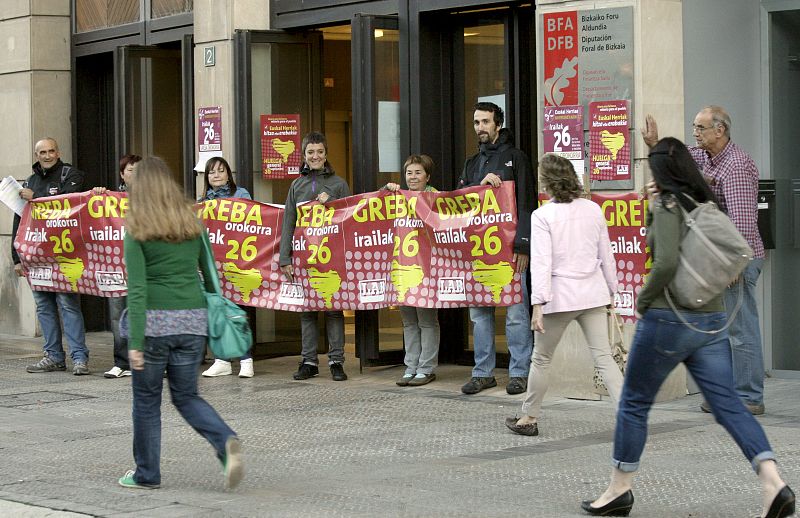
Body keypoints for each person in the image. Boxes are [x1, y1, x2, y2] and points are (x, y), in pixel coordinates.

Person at [582, 138, 794, 518]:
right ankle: (772, 481)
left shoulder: (667, 205)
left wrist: (643, 304)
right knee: (728, 404)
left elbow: (663, 264)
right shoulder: (703, 202)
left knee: (633, 403)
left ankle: (619, 489)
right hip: (709, 319)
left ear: (661, 171)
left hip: (668, 318)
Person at [119, 156, 243, 490]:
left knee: (146, 403)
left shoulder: (137, 229)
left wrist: (135, 343)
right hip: (192, 321)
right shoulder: (192, 224)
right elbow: (209, 272)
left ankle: (147, 474)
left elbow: (138, 289)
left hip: (155, 325)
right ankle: (224, 439)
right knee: (187, 396)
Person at [642, 108, 766, 415]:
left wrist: (734, 264)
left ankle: (749, 397)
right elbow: (676, 166)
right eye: (694, 128)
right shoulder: (703, 157)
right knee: (720, 329)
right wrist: (654, 144)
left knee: (740, 328)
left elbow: (742, 220)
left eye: (700, 128)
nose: (695, 133)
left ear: (719, 130)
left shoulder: (736, 166)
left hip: (735, 257)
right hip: (720, 258)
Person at [505, 154, 621, 437]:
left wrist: (537, 304)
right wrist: (613, 291)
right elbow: (606, 254)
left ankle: (529, 417)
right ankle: (629, 418)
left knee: (542, 359)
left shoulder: (542, 215)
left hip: (559, 297)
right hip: (593, 293)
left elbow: (542, 262)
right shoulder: (593, 209)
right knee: (604, 357)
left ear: (547, 181)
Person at [457, 102, 535, 395]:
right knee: (479, 314)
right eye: (476, 122)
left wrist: (523, 245)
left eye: (486, 122)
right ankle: (482, 373)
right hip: (478, 252)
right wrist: (479, 184)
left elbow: (528, 203)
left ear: (498, 125)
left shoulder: (517, 158)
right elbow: (460, 203)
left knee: (515, 312)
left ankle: (519, 372)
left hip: (511, 251)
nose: (480, 128)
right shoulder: (471, 163)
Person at [12, 138, 91, 375]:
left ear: (59, 152)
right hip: (36, 256)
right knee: (43, 306)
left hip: (64, 255)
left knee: (68, 304)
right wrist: (17, 258)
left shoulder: (71, 175)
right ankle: (54, 356)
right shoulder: (30, 180)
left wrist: (34, 196)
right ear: (36, 155)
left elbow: (67, 203)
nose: (47, 156)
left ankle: (79, 358)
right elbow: (19, 219)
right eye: (42, 152)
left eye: (51, 151)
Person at [279, 132, 351, 382]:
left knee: (333, 310)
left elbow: (349, 218)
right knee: (307, 309)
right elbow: (289, 221)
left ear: (326, 154)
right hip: (303, 257)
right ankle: (308, 361)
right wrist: (284, 258)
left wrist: (332, 203)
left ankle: (336, 361)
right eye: (311, 152)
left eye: (320, 151)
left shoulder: (339, 184)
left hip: (331, 257)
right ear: (304, 156)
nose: (315, 156)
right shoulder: (296, 185)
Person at [384, 154, 441, 387]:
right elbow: (373, 208)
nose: (413, 177)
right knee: (409, 321)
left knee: (427, 321)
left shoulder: (435, 197)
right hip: (402, 269)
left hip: (427, 270)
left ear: (427, 175)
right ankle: (411, 366)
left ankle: (426, 368)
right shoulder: (397, 197)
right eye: (409, 172)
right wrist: (384, 189)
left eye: (418, 172)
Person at [197, 156, 255, 379]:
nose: (217, 175)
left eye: (221, 171)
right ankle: (222, 360)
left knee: (238, 313)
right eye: (212, 172)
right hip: (214, 267)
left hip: (239, 264)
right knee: (218, 311)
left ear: (228, 173)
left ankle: (246, 360)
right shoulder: (202, 202)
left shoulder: (241, 194)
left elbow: (254, 223)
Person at [93, 154, 142, 378]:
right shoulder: (110, 199)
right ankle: (121, 362)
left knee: (146, 313)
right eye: (131, 170)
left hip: (142, 264)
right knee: (117, 313)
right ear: (122, 174)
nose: (135, 173)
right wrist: (99, 196)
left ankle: (147, 360)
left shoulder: (152, 198)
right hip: (115, 266)